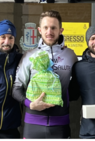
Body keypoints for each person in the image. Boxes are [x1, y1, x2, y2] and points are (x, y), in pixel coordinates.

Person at [13, 10, 78, 138]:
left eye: (53, 28)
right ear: (39, 30)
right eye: (46, 28)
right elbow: (16, 89)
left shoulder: (70, 55)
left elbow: (76, 86)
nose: (49, 32)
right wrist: (29, 104)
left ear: (61, 30)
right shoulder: (29, 55)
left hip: (61, 124)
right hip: (33, 125)